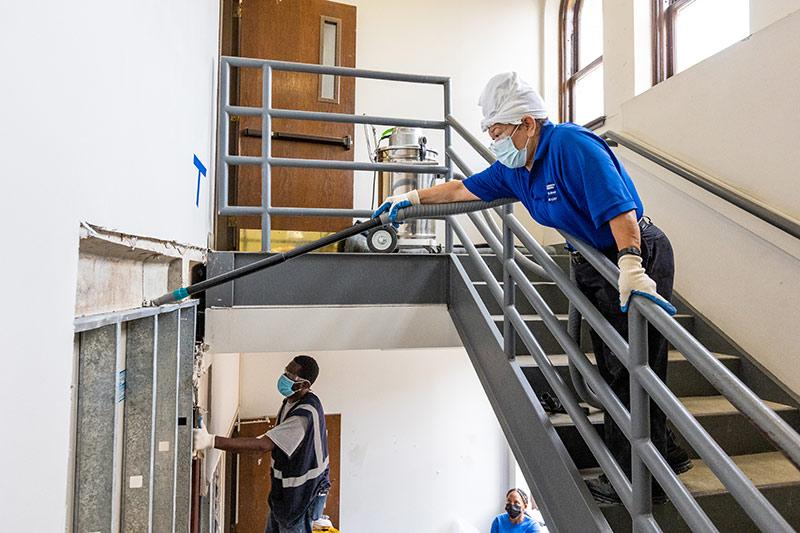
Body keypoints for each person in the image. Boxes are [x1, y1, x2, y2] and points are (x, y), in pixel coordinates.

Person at [373, 72, 692, 504]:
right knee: (625, 366)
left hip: (632, 251)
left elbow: (621, 210)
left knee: (627, 371)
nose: (494, 141)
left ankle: (637, 481)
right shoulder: (515, 169)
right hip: (594, 265)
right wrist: (411, 199)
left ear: (527, 124)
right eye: (489, 132)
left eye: (498, 131)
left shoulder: (572, 146)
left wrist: (631, 266)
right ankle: (666, 453)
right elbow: (464, 188)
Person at [194, 355, 330, 532]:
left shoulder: (303, 417)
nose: (284, 378)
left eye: (291, 376)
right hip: (286, 495)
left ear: (305, 385)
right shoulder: (292, 401)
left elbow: (263, 445)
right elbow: (272, 442)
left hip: (302, 497)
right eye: (286, 371)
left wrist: (211, 441)